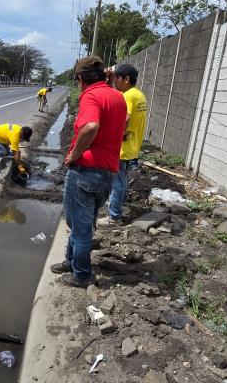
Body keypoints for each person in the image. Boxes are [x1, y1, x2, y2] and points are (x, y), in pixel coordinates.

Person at [50, 56, 127, 287]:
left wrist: (73, 155)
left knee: (80, 227)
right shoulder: (118, 96)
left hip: (86, 172)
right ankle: (70, 261)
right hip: (107, 174)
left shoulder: (91, 96)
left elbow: (91, 126)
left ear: (81, 78)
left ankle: (82, 274)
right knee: (83, 222)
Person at [97, 64, 148, 227]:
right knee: (122, 181)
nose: (116, 82)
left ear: (126, 79)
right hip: (132, 146)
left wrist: (112, 134)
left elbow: (125, 119)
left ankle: (114, 217)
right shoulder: (139, 95)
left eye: (117, 78)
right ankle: (115, 205)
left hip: (122, 148)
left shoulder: (128, 96)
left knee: (117, 182)